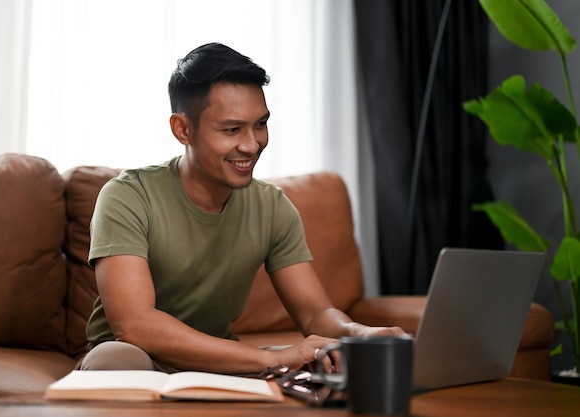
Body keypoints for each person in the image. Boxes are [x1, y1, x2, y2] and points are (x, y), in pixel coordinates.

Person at [78, 42, 403, 375]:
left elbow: (315, 315)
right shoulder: (127, 196)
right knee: (117, 360)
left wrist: (358, 334)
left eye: (260, 124)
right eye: (232, 129)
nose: (251, 145)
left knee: (321, 368)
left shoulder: (273, 207)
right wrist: (271, 358)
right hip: (136, 356)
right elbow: (135, 326)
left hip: (219, 361)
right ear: (183, 129)